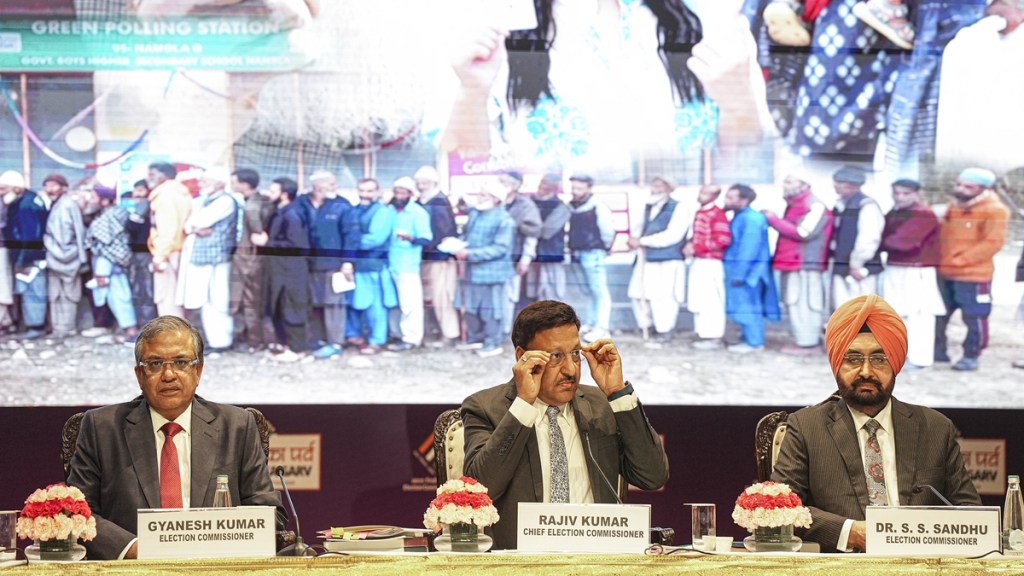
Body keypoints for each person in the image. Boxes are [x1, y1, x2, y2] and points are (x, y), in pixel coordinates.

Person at [771, 294, 981, 553]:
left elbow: (971, 514)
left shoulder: (936, 427)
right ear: (837, 364)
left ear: (895, 364)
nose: (867, 371)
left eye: (880, 359)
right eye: (854, 359)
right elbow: (780, 508)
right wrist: (850, 532)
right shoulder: (807, 427)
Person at [65, 315, 286, 560]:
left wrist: (221, 543)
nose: (168, 374)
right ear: (139, 375)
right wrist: (138, 550)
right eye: (155, 364)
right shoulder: (103, 428)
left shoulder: (236, 426)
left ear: (198, 371)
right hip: (132, 570)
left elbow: (267, 512)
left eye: (181, 362)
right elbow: (78, 512)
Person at [461, 299, 669, 550]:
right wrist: (524, 403)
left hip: (598, 559)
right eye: (556, 356)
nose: (571, 369)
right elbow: (481, 490)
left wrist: (616, 392)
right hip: (521, 564)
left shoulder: (600, 405)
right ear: (522, 357)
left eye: (575, 354)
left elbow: (652, 476)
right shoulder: (485, 408)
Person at [935, 168, 1010, 372]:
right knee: (939, 314)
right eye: (959, 184)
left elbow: (992, 243)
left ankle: (971, 355)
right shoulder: (955, 206)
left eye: (968, 186)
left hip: (974, 275)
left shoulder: (996, 210)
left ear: (983, 189)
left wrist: (961, 260)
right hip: (945, 271)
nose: (961, 189)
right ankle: (938, 351)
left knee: (974, 316)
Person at [762, 173, 833, 354]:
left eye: (791, 180)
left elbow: (804, 233)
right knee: (793, 301)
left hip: (806, 263)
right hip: (793, 262)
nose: (786, 184)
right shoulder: (794, 204)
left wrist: (773, 219)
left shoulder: (815, 205)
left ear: (804, 183)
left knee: (806, 302)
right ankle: (802, 340)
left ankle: (808, 343)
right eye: (785, 180)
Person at [879, 179, 945, 370]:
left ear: (916, 193)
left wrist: (882, 241)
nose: (900, 197)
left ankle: (921, 359)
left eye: (905, 193)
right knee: (897, 312)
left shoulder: (923, 213)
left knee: (920, 313)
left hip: (918, 269)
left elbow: (903, 242)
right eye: (896, 193)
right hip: (896, 266)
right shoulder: (895, 212)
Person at [175, 168, 239, 353]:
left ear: (219, 183)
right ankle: (214, 340)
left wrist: (194, 226)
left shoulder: (225, 201)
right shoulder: (205, 200)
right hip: (205, 258)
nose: (201, 185)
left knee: (218, 300)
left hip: (217, 258)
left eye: (206, 181)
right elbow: (189, 225)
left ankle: (222, 341)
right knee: (206, 301)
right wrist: (193, 227)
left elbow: (200, 221)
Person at [453, 179, 516, 358]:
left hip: (493, 272)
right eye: (479, 194)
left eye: (483, 195)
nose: (479, 197)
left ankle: (492, 343)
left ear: (496, 199)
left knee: (492, 310)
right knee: (472, 307)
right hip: (472, 271)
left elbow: (501, 249)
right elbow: (467, 235)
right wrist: (457, 245)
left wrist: (470, 254)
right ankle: (475, 338)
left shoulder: (505, 220)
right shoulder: (475, 214)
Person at [627, 177, 689, 344]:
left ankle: (665, 330)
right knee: (638, 293)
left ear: (669, 188)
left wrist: (643, 241)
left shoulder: (679, 207)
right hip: (645, 258)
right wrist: (634, 238)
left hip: (666, 259)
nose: (656, 188)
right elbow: (639, 228)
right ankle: (646, 326)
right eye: (654, 185)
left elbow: (674, 235)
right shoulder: (647, 206)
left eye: (661, 185)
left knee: (663, 296)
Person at [342, 178, 396, 355]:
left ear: (377, 192)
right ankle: (353, 335)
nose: (365, 194)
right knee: (354, 303)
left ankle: (376, 340)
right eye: (362, 190)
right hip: (354, 264)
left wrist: (351, 242)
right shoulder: (353, 210)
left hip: (374, 264)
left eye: (369, 191)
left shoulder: (384, 212)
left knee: (375, 306)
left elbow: (376, 239)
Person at [302, 170, 352, 360]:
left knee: (334, 305)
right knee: (315, 303)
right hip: (309, 264)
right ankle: (320, 339)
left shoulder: (342, 205)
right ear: (317, 186)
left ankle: (336, 342)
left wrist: (347, 261)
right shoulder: (303, 202)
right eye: (330, 184)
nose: (334, 187)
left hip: (334, 264)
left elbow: (350, 236)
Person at [723, 184, 779, 353]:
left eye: (731, 198)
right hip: (742, 269)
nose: (727, 201)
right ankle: (748, 338)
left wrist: (740, 273)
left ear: (744, 200)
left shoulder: (751, 219)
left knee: (748, 305)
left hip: (749, 271)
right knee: (742, 304)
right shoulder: (741, 216)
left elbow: (748, 249)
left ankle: (754, 343)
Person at [261, 177, 311, 362]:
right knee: (279, 305)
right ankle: (285, 344)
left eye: (273, 191)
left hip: (292, 269)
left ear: (284, 195)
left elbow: (298, 245)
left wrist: (269, 242)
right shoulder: (278, 211)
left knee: (292, 306)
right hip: (279, 268)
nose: (269, 193)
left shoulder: (293, 214)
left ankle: (298, 348)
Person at [85, 184, 137, 342]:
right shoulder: (113, 212)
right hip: (112, 259)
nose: (90, 200)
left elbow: (102, 240)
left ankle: (131, 331)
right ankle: (125, 328)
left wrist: (102, 270)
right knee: (113, 297)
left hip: (110, 260)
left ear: (105, 200)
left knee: (119, 296)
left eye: (94, 197)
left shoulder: (110, 216)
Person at [230, 167, 274, 353]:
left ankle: (254, 341)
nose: (231, 184)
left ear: (244, 184)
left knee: (249, 300)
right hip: (248, 258)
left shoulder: (252, 206)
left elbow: (257, 233)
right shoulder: (257, 201)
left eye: (234, 181)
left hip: (248, 259)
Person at [416, 166, 461, 348]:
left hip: (439, 257)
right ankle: (436, 330)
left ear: (433, 182)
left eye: (424, 182)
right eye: (418, 182)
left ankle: (450, 334)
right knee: (429, 297)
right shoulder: (422, 201)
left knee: (441, 296)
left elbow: (443, 231)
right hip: (426, 256)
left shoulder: (439, 201)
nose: (421, 185)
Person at [386, 177, 432, 351]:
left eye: (402, 193)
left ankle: (411, 338)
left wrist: (410, 238)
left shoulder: (418, 212)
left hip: (408, 265)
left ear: (410, 194)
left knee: (410, 303)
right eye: (396, 192)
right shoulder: (391, 210)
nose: (398, 196)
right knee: (396, 303)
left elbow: (426, 238)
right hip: (391, 263)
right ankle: (397, 334)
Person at [568, 175, 615, 343]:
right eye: (573, 188)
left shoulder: (598, 206)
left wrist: (605, 247)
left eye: (579, 188)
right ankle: (593, 322)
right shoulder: (573, 205)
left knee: (599, 290)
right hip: (579, 252)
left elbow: (607, 230)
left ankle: (602, 328)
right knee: (589, 290)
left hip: (593, 251)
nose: (575, 191)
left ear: (589, 188)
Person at [4, 170, 50, 339]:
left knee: (33, 292)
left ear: (16, 189)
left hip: (31, 258)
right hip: (30, 256)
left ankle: (36, 328)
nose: (1, 193)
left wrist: (23, 261)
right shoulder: (26, 200)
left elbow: (31, 236)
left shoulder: (26, 205)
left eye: (3, 189)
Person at [685, 184, 732, 349]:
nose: (702, 195)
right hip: (698, 260)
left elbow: (722, 240)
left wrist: (696, 248)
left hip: (711, 262)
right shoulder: (700, 211)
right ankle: (702, 332)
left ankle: (713, 336)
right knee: (699, 297)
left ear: (715, 196)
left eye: (706, 193)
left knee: (711, 299)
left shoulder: (717, 214)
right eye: (701, 191)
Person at [830, 165, 883, 310]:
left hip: (861, 268)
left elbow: (869, 237)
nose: (836, 185)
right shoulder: (841, 205)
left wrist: (857, 264)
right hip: (842, 265)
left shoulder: (866, 206)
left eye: (841, 182)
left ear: (853, 185)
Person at [42, 173, 87, 337]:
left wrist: (49, 242)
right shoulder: (58, 204)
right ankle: (59, 329)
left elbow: (67, 235)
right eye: (47, 186)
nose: (50, 189)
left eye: (54, 185)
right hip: (59, 255)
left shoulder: (66, 205)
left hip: (66, 255)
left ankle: (66, 328)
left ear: (63, 188)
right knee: (57, 294)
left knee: (68, 295)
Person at [499, 172, 541, 341]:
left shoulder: (525, 206)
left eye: (505, 182)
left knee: (509, 294)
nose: (502, 185)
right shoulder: (493, 201)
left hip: (513, 256)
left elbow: (532, 233)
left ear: (515, 185)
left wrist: (526, 259)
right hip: (493, 258)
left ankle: (505, 329)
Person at [147, 162, 193, 317]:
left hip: (168, 252)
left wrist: (159, 257)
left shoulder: (166, 196)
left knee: (166, 298)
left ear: (164, 176)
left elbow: (167, 230)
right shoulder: (180, 193)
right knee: (175, 299)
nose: (148, 178)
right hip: (178, 250)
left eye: (152, 174)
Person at [523, 174, 572, 304]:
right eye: (542, 184)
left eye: (547, 186)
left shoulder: (561, 207)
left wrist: (524, 227)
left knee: (552, 290)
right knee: (532, 290)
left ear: (554, 188)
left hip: (551, 252)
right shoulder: (529, 202)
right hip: (531, 253)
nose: (543, 188)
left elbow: (546, 232)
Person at [125, 179, 157, 327]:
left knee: (145, 289)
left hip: (145, 253)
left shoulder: (145, 206)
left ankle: (147, 323)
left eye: (140, 190)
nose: (137, 194)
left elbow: (131, 226)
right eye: (135, 190)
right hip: (143, 253)